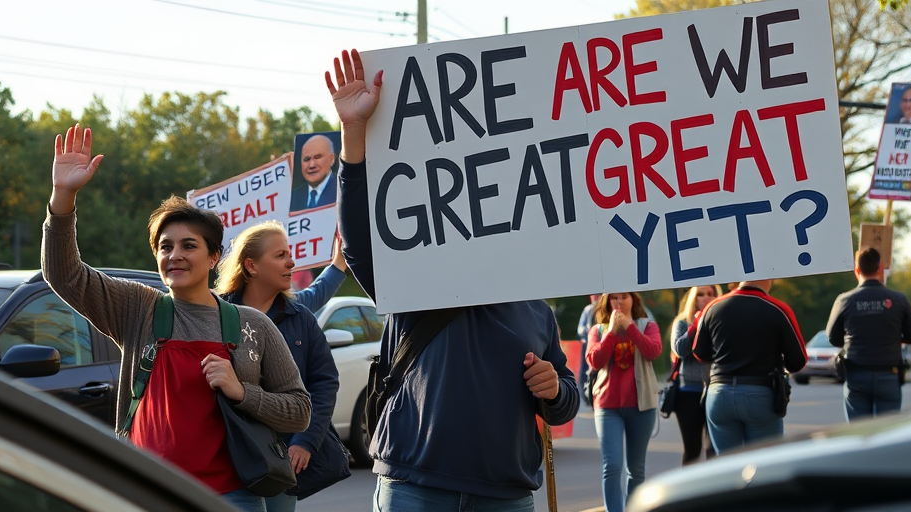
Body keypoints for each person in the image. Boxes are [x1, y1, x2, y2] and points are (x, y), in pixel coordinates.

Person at [326, 49, 579, 511]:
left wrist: (555, 388)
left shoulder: (535, 309)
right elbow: (361, 243)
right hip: (413, 487)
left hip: (506, 497)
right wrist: (353, 133)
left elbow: (564, 400)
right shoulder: (419, 280)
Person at [42, 125, 311, 512]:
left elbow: (299, 411)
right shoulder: (138, 307)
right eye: (165, 247)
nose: (175, 256)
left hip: (232, 498)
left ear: (214, 257)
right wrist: (63, 196)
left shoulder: (252, 325)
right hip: (147, 492)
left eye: (189, 245)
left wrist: (242, 392)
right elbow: (65, 275)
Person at [216, 221, 341, 512]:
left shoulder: (301, 317)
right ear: (251, 266)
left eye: (290, 253)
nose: (292, 262)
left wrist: (306, 441)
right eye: (281, 255)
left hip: (278, 461)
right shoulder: (215, 314)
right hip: (224, 459)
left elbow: (324, 383)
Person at [692, 279, 806, 454]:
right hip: (760, 393)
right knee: (763, 463)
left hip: (719, 393)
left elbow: (700, 353)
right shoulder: (777, 308)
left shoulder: (713, 307)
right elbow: (798, 361)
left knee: (728, 464)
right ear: (769, 278)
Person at [826, 247, 911, 420]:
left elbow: (833, 337)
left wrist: (851, 341)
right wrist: (894, 339)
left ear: (857, 270)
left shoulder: (845, 300)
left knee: (859, 430)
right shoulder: (898, 300)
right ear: (880, 268)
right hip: (888, 374)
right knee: (887, 431)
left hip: (856, 375)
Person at [585, 292, 661, 512]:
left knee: (636, 469)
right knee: (612, 465)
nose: (619, 302)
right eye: (614, 298)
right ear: (607, 302)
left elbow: (653, 351)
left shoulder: (647, 326)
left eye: (624, 297)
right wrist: (610, 332)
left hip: (641, 406)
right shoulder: (598, 330)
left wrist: (630, 328)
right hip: (607, 406)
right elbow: (595, 361)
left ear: (633, 300)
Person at [670, 285, 722, 465]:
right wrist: (696, 325)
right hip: (689, 391)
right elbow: (680, 350)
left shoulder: (722, 319)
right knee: (692, 449)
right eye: (700, 294)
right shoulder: (682, 322)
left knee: (714, 448)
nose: (706, 297)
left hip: (716, 389)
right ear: (693, 298)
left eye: (710, 294)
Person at [290, 134, 337, 212]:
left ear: (331, 159)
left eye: (317, 157)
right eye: (306, 159)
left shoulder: (343, 192)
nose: (311, 165)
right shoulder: (292, 198)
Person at [577, 294, 600, 405]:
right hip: (588, 344)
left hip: (601, 345)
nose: (596, 297)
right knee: (585, 371)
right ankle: (586, 395)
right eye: (593, 295)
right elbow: (580, 328)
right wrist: (588, 331)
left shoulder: (606, 308)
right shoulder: (588, 310)